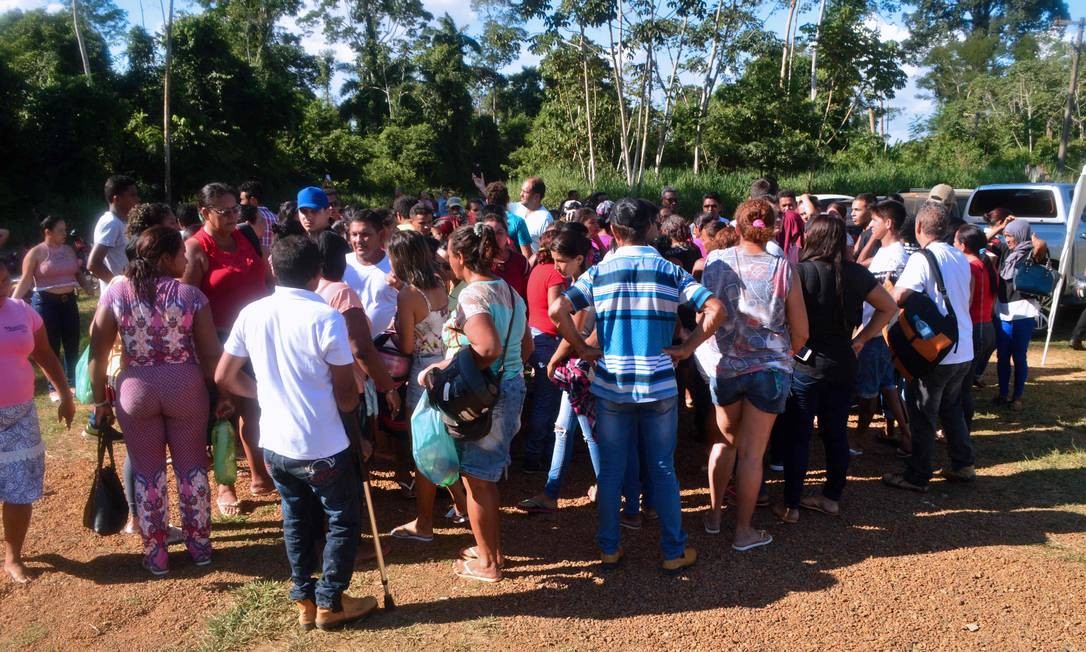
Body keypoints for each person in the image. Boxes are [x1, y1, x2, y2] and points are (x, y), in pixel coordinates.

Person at [550, 198, 724, 573]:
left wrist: (580, 348)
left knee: (611, 469)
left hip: (611, 383)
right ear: (652, 228)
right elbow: (715, 309)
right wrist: (688, 347)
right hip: (659, 382)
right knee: (662, 467)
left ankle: (609, 547)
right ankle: (673, 550)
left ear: (613, 231)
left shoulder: (598, 272)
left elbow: (557, 310)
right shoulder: (669, 270)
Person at [216, 236, 377, 629]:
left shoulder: (251, 314)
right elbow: (344, 390)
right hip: (321, 441)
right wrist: (356, 417)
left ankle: (304, 599)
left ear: (273, 269)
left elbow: (224, 375)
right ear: (318, 273)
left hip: (274, 442)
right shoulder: (325, 317)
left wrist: (264, 394)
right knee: (341, 517)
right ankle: (330, 602)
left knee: (296, 517)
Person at [88, 226, 229, 575]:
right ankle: (200, 548)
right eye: (181, 253)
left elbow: (98, 352)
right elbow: (211, 356)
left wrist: (100, 402)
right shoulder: (190, 295)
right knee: (191, 469)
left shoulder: (118, 291)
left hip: (136, 388)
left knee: (148, 474)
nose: (186, 259)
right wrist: (225, 394)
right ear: (166, 258)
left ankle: (157, 556)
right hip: (184, 384)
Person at [694, 199, 808, 550]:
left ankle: (713, 518)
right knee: (753, 454)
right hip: (769, 370)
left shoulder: (715, 263)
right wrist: (780, 355)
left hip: (727, 367)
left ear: (737, 225)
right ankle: (743, 531)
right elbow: (801, 332)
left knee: (723, 442)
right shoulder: (784, 268)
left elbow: (705, 319)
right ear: (772, 227)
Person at [422, 222, 532, 583]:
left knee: (477, 480)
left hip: (488, 395)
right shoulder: (509, 291)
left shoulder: (472, 296)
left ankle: (489, 563)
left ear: (457, 256)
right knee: (484, 476)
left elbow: (487, 348)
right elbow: (525, 347)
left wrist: (447, 367)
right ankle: (492, 550)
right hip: (511, 386)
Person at [773, 216, 895, 523]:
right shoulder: (856, 273)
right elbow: (889, 306)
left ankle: (791, 505)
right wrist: (863, 338)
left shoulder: (799, 272)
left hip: (805, 363)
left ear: (810, 239)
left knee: (798, 435)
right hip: (843, 362)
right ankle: (831, 498)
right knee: (836, 433)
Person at [182, 182, 274, 515]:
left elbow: (267, 279)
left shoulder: (247, 236)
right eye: (226, 211)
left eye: (236, 208)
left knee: (255, 405)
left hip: (257, 336)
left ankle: (260, 475)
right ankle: (225, 485)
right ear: (204, 213)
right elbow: (186, 302)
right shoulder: (196, 249)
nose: (235, 215)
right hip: (217, 342)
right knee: (221, 412)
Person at [387, 229, 473, 542]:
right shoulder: (440, 282)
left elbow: (408, 346)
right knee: (443, 442)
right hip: (449, 366)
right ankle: (462, 504)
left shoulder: (407, 295)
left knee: (424, 446)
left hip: (423, 373)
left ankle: (425, 523)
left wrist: (394, 330)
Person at [883, 201, 976, 492]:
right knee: (952, 408)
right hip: (963, 347)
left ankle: (917, 476)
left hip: (936, 351)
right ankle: (963, 463)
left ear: (919, 227)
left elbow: (899, 297)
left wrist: (888, 286)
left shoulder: (922, 259)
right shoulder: (959, 256)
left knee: (923, 414)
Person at [517, 229, 603, 513]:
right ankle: (554, 491)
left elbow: (576, 333)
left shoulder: (584, 287)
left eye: (561, 261)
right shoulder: (583, 282)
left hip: (581, 367)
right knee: (566, 428)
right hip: (580, 367)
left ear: (579, 258)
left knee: (585, 431)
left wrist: (555, 359)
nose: (556, 267)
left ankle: (604, 488)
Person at [0, 263, 74, 583]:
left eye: (4, 281)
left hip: (20, 416)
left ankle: (13, 556)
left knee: (20, 487)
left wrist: (65, 394)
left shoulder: (22, 311)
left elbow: (44, 353)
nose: (1, 289)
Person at [854, 201, 912, 450]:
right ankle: (906, 434)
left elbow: (890, 297)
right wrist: (871, 239)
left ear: (888, 224)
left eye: (874, 222)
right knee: (888, 386)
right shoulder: (886, 253)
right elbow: (860, 263)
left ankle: (858, 439)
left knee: (870, 389)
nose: (870, 226)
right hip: (878, 331)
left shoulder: (895, 256)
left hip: (878, 332)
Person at [11, 216, 81, 396]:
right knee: (50, 345)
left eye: (65, 230)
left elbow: (76, 272)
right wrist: (11, 303)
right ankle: (55, 387)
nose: (65, 234)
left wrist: (87, 285)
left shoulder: (68, 250)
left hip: (69, 301)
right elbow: (26, 280)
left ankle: (73, 382)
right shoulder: (36, 253)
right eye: (60, 230)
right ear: (47, 232)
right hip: (46, 303)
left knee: (72, 342)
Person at [520, 229, 568, 473]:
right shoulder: (554, 274)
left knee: (542, 398)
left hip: (535, 334)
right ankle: (536, 454)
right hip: (548, 338)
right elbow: (555, 310)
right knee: (547, 401)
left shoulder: (537, 269)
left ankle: (542, 453)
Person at [993, 220, 1040, 411]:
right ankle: (1003, 394)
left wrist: (1034, 238)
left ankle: (1017, 396)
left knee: (1019, 355)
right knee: (1002, 355)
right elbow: (981, 241)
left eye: (1010, 235)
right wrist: (1000, 227)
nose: (1008, 239)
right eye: (1006, 236)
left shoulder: (1032, 253)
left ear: (1020, 234)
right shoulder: (1006, 251)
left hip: (1024, 311)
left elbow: (1041, 246)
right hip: (1003, 310)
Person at [954, 224, 997, 425]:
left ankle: (961, 429)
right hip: (987, 327)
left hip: (975, 329)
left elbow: (967, 301)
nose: (952, 245)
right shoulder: (987, 264)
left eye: (954, 241)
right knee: (966, 384)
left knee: (962, 387)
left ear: (963, 246)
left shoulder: (970, 267)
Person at [343, 209, 399, 335]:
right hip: (351, 346)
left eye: (365, 234)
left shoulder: (395, 265)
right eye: (354, 234)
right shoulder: (342, 264)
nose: (359, 240)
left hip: (388, 348)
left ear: (380, 235)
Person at [88, 175, 140, 293]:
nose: (138, 199)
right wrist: (121, 288)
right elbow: (93, 264)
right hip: (117, 300)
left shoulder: (122, 222)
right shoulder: (110, 223)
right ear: (117, 199)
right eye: (132, 195)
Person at [482, 209, 530, 300]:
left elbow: (527, 294)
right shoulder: (480, 263)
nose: (495, 237)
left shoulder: (520, 261)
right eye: (490, 233)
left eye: (499, 233)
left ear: (506, 234)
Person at [509, 176, 555, 255]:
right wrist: (483, 189)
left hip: (534, 265)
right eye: (521, 190)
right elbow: (498, 203)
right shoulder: (517, 207)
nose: (521, 194)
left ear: (536, 196)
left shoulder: (545, 219)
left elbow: (549, 249)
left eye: (525, 192)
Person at [238, 180, 278, 251]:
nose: (241, 203)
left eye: (242, 199)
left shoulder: (247, 217)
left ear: (253, 200)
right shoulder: (276, 217)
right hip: (273, 258)